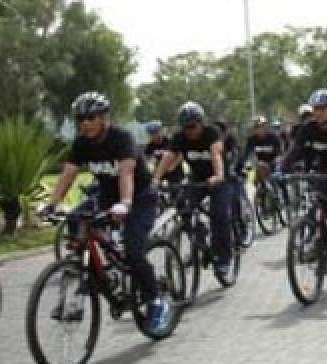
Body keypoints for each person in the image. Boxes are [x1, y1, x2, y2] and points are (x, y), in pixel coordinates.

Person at [41, 93, 172, 331]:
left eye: (91, 117)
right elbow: (68, 174)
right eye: (80, 119)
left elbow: (126, 173)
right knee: (75, 221)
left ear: (104, 118)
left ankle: (156, 300)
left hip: (139, 198)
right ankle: (91, 275)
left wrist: (125, 202)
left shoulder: (121, 138)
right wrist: (52, 204)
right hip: (106, 196)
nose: (85, 123)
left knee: (133, 253)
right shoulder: (82, 142)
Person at [152, 102, 233, 276]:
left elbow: (216, 154)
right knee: (182, 204)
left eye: (192, 126)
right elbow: (167, 157)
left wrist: (218, 175)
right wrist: (155, 180)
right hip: (197, 178)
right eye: (185, 127)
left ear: (201, 122)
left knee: (219, 215)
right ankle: (197, 236)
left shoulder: (212, 133)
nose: (189, 131)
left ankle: (224, 257)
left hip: (219, 179)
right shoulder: (180, 137)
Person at [279, 89, 327, 227]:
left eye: (322, 109)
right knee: (320, 199)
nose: (318, 113)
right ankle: (322, 231)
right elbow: (295, 150)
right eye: (315, 109)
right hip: (321, 169)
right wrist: (282, 169)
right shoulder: (307, 128)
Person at [143, 120, 183, 187]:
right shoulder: (150, 146)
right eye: (152, 133)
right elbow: (145, 158)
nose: (156, 135)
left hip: (174, 172)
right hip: (160, 172)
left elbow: (180, 155)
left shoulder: (170, 142)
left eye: (157, 132)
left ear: (161, 131)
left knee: (175, 190)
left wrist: (173, 165)